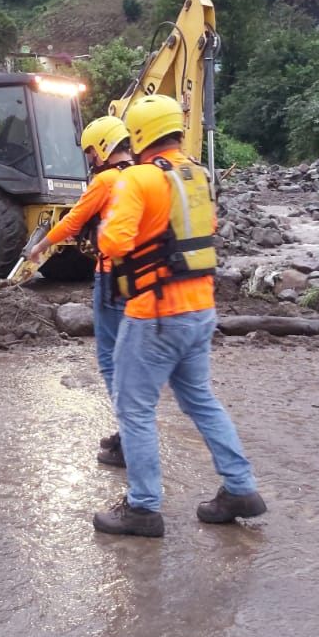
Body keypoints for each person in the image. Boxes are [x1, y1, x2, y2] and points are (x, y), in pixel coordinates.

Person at [94, 95, 265, 538]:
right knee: (200, 400)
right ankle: (240, 487)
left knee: (134, 408)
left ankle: (143, 508)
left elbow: (113, 243)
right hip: (199, 310)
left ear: (139, 134)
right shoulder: (198, 175)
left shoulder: (139, 179)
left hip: (155, 314)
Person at [26, 115, 131, 466]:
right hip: (141, 279)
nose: (89, 159)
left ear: (101, 148)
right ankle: (129, 432)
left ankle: (129, 436)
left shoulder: (104, 182)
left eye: (89, 151)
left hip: (110, 277)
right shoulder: (141, 175)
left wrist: (41, 246)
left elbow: (73, 219)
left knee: (110, 361)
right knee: (130, 360)